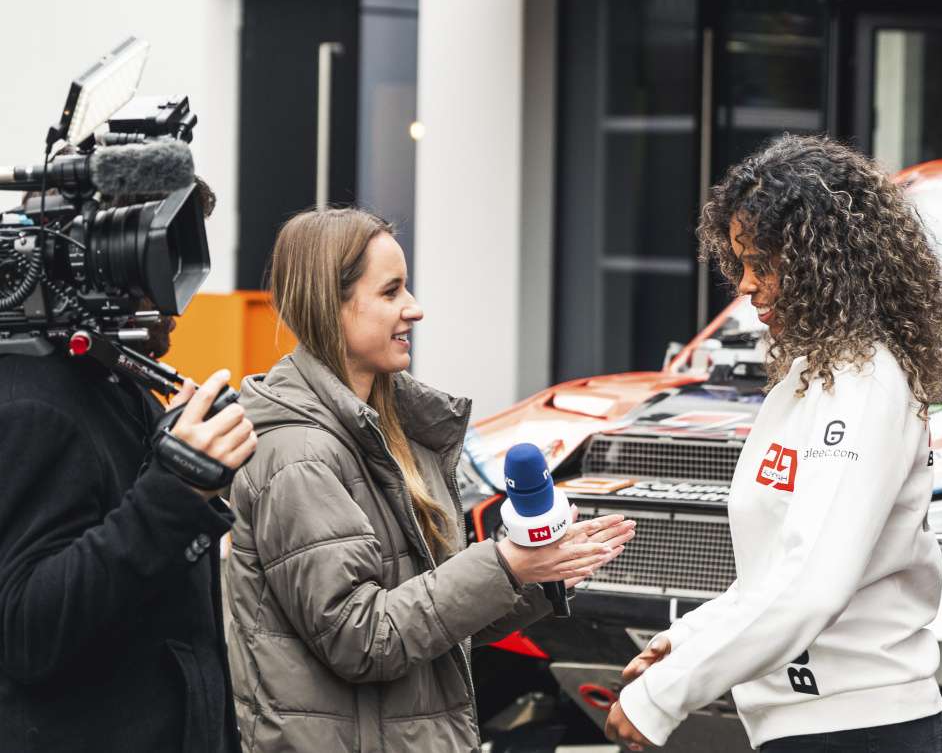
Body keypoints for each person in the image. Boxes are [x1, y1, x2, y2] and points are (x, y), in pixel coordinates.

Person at [225, 208, 635, 753]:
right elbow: (361, 640)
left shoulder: (394, 431)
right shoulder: (298, 454)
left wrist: (539, 572)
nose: (414, 308)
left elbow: (440, 625)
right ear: (330, 304)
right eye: (390, 291)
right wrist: (504, 564)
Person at [606, 134, 942, 752]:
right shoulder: (815, 377)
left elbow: (810, 585)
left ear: (827, 262)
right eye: (740, 262)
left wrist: (665, 695)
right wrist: (687, 641)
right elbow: (778, 574)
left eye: (762, 262)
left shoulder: (863, 383)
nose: (744, 285)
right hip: (821, 725)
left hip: (855, 728)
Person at [0, 179, 257, 753]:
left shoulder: (113, 383)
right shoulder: (35, 405)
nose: (179, 296)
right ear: (102, 263)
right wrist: (176, 489)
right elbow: (26, 632)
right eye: (163, 260)